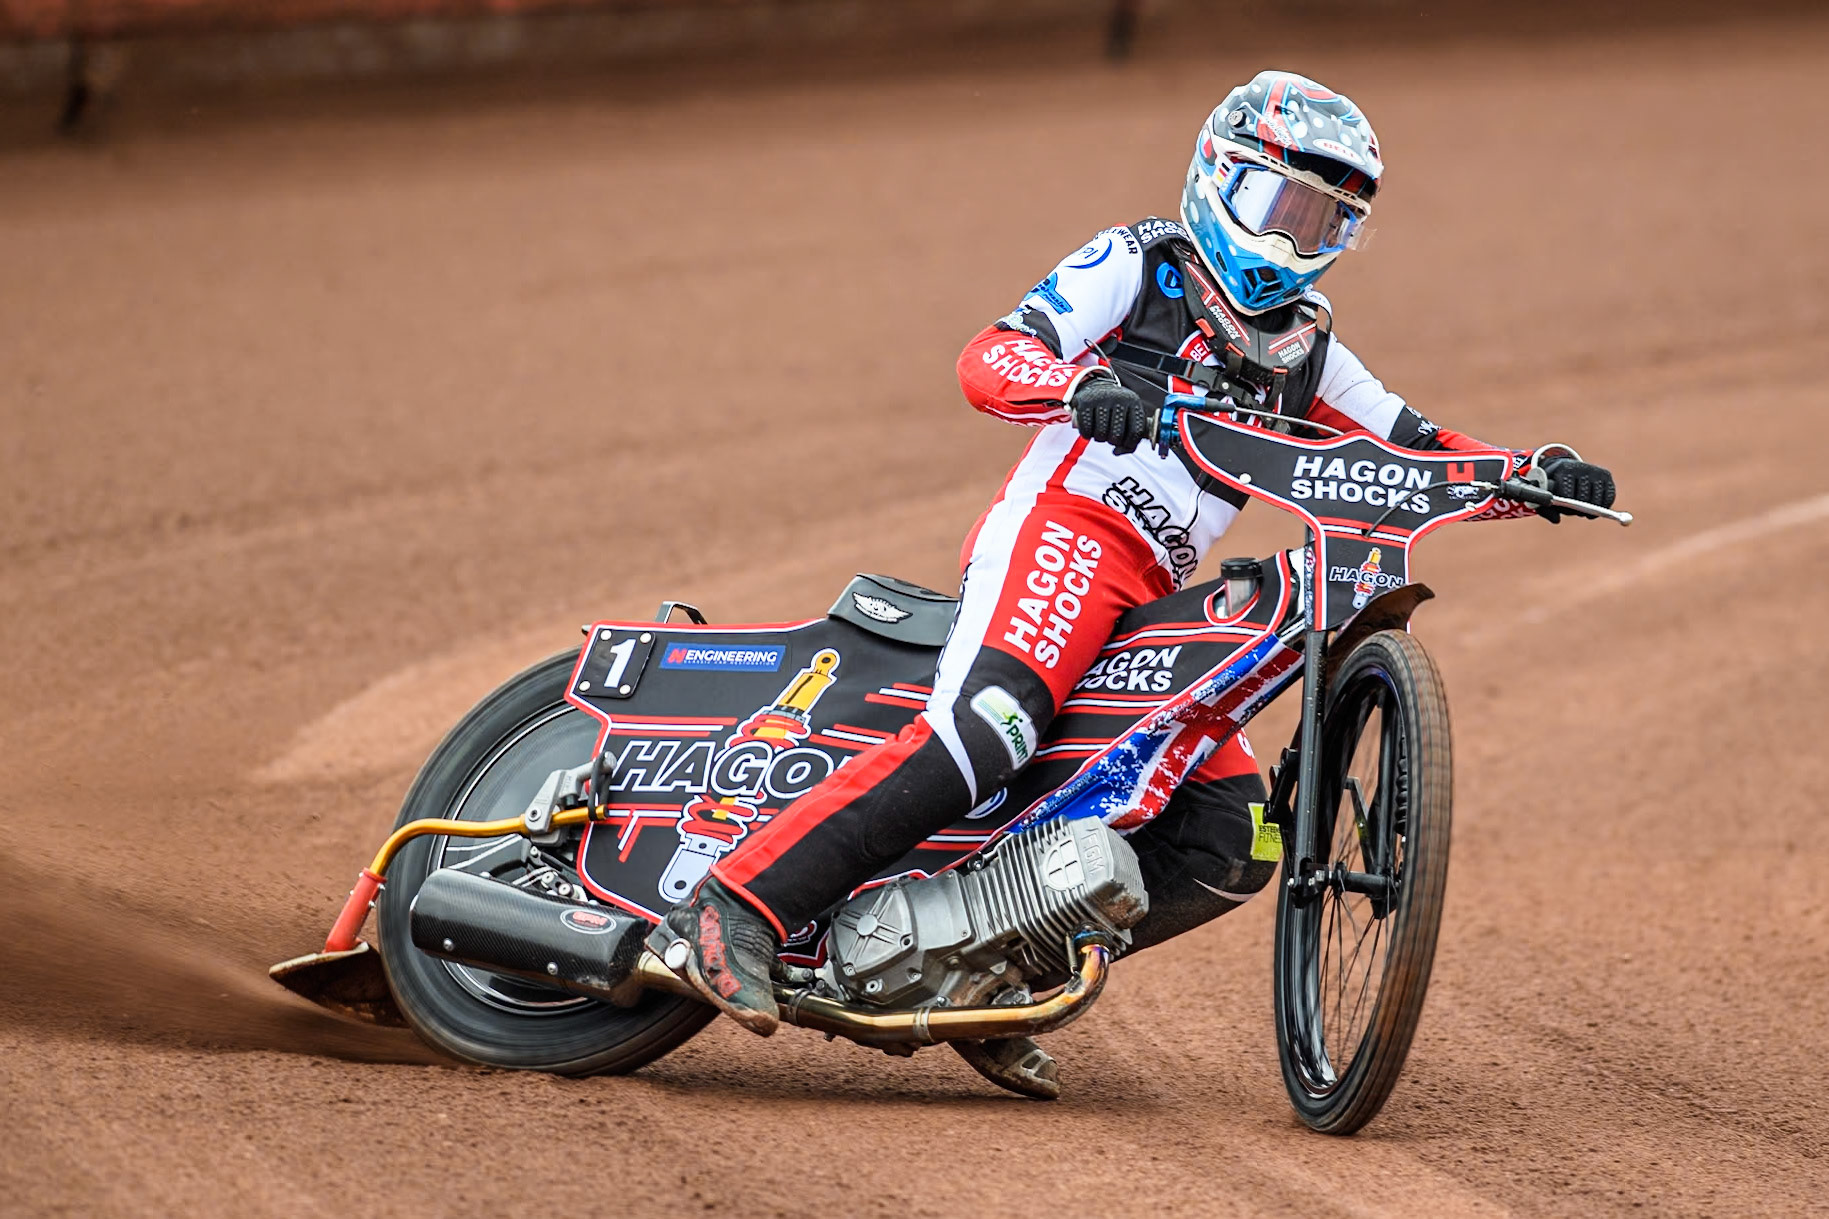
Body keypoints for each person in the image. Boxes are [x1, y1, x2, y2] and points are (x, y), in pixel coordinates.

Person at [648, 70, 1616, 1095]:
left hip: (1153, 589)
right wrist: (1078, 386)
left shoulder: (1307, 348)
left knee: (1231, 830)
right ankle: (730, 908)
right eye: (1283, 205)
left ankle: (989, 968)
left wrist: (1526, 474)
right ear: (1218, 175)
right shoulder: (1139, 260)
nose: (1298, 237)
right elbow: (991, 355)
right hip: (1063, 533)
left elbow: (1410, 446)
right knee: (988, 731)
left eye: (1326, 218)